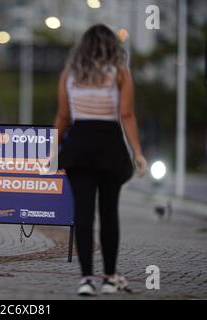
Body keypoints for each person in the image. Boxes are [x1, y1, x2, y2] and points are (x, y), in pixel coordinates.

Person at [55, 24, 148, 296]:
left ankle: (86, 279)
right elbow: (127, 115)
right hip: (109, 146)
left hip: (79, 145)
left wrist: (50, 151)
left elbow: (63, 116)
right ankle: (109, 277)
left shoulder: (69, 74)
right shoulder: (120, 72)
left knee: (82, 213)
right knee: (109, 213)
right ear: (112, 46)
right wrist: (138, 152)